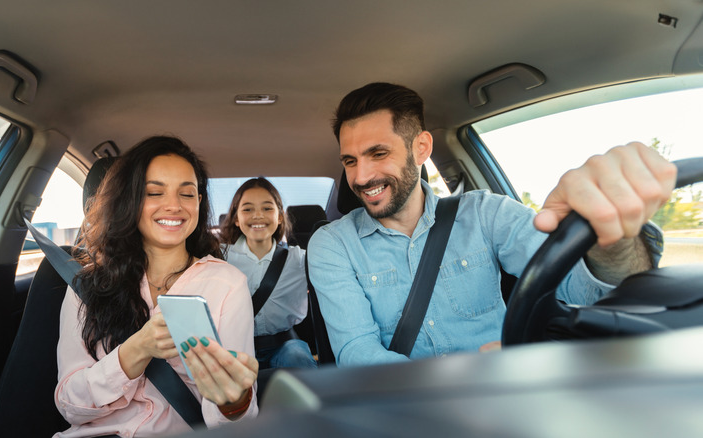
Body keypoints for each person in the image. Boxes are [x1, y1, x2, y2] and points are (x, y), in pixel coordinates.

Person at [307, 82, 675, 367]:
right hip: (404, 409)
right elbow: (357, 352)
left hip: (504, 399)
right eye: (350, 161)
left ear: (421, 148)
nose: (361, 176)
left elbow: (587, 296)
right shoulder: (333, 243)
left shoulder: (487, 214)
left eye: (378, 153)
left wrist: (608, 235)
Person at [55, 136, 258, 437]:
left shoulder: (227, 284)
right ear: (130, 200)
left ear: (199, 203)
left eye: (187, 194)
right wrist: (136, 350)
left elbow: (239, 424)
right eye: (154, 192)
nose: (174, 206)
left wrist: (235, 402)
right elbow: (69, 404)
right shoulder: (86, 285)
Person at [220, 177, 317, 369]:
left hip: (284, 344)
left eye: (267, 208)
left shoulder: (298, 259)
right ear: (236, 219)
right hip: (235, 346)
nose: (258, 215)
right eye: (247, 209)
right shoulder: (220, 258)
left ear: (279, 216)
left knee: (297, 357)